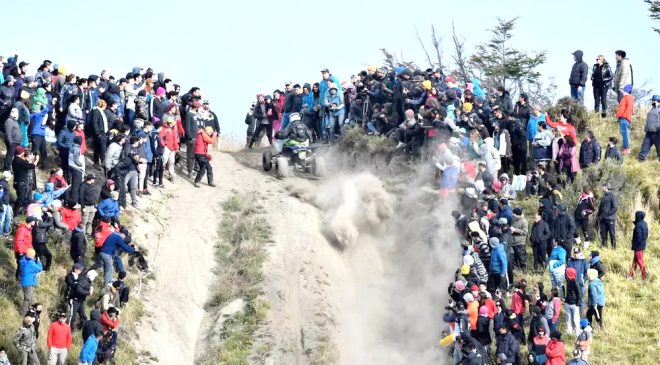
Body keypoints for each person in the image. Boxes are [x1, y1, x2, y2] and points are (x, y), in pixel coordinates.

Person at [20, 248, 43, 315]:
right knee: (27, 299)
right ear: (32, 255)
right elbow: (39, 269)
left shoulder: (23, 260)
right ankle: (24, 314)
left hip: (25, 282)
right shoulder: (30, 263)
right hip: (28, 283)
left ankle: (31, 312)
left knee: (31, 299)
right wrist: (38, 262)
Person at [638, 95, 660, 161]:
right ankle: (641, 158)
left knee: (659, 146)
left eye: (654, 100)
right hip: (649, 131)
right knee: (645, 145)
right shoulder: (652, 109)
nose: (653, 102)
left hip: (657, 132)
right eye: (652, 100)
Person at [628, 210, 649, 280]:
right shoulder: (645, 224)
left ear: (638, 216)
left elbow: (638, 236)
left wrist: (635, 246)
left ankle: (644, 276)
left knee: (640, 261)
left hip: (638, 246)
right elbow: (646, 235)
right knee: (635, 261)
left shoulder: (638, 225)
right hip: (642, 245)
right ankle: (631, 275)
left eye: (636, 215)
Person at [597, 182, 618, 249]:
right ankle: (604, 247)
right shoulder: (604, 196)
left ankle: (613, 247)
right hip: (603, 219)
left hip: (610, 219)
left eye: (603, 187)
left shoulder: (612, 196)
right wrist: (598, 215)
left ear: (605, 187)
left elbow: (615, 207)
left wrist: (608, 213)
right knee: (603, 234)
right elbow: (601, 207)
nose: (602, 188)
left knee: (612, 234)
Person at [615, 84, 634, 154]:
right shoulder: (624, 97)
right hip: (622, 118)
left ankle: (626, 148)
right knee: (623, 133)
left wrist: (624, 116)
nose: (622, 91)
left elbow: (629, 108)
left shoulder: (629, 97)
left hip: (624, 118)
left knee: (625, 133)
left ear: (626, 91)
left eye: (623, 90)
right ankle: (624, 147)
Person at [564, 267, 581, 336]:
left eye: (566, 273)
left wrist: (577, 303)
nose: (565, 274)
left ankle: (577, 334)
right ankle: (569, 333)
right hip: (568, 302)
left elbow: (579, 293)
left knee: (575, 319)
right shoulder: (568, 280)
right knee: (568, 319)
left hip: (574, 304)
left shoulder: (575, 281)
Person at [510, 208, 528, 272]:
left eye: (513, 213)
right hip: (513, 242)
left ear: (517, 214)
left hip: (520, 243)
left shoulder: (524, 221)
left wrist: (515, 230)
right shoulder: (514, 220)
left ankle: (524, 271)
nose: (512, 214)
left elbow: (525, 232)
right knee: (514, 258)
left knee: (522, 258)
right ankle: (516, 271)